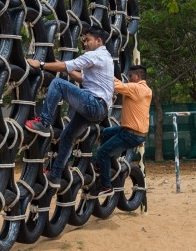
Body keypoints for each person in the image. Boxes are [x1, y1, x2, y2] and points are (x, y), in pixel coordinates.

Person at [25, 26, 114, 188]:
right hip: (98, 110)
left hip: (93, 104)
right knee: (67, 137)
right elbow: (82, 79)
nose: (85, 43)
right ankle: (55, 175)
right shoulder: (105, 57)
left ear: (98, 41)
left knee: (58, 83)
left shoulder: (95, 55)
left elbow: (69, 65)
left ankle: (43, 123)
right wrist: (65, 68)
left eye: (87, 40)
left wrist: (41, 64)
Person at [92, 65, 152, 196]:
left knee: (102, 152)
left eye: (130, 76)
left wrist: (97, 73)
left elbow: (115, 86)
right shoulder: (145, 89)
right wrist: (105, 70)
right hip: (132, 131)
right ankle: (100, 164)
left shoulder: (135, 88)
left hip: (131, 135)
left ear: (137, 77)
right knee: (105, 133)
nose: (128, 78)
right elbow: (120, 83)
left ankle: (106, 186)